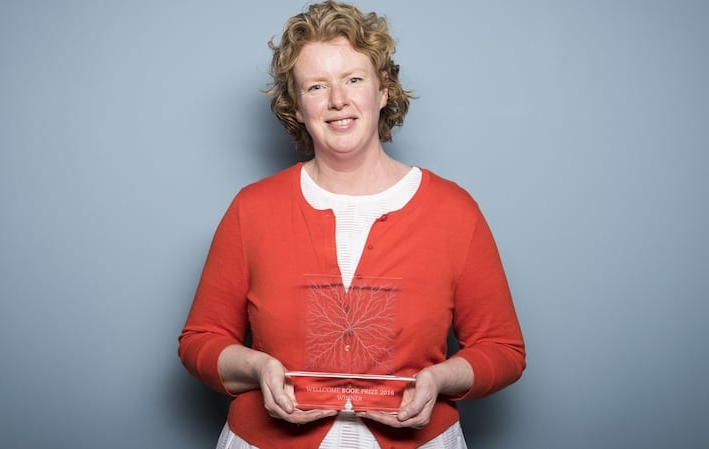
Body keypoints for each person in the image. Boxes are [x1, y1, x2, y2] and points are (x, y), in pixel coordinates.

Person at [178, 1, 525, 448]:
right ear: (297, 107)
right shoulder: (252, 209)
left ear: (383, 91)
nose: (337, 100)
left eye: (354, 80)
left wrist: (440, 378)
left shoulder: (454, 211)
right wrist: (258, 368)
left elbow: (503, 349)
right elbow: (200, 341)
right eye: (316, 86)